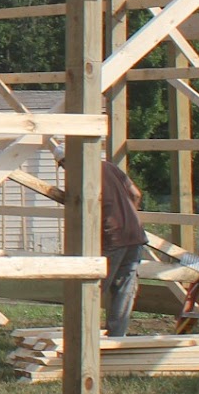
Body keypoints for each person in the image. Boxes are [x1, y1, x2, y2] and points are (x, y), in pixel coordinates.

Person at [53, 141, 147, 337]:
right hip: (135, 234)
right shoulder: (110, 167)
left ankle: (83, 338)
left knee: (92, 287)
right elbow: (136, 194)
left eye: (63, 164)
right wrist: (130, 218)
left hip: (111, 236)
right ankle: (116, 338)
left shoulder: (80, 174)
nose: (64, 169)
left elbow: (83, 207)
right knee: (125, 290)